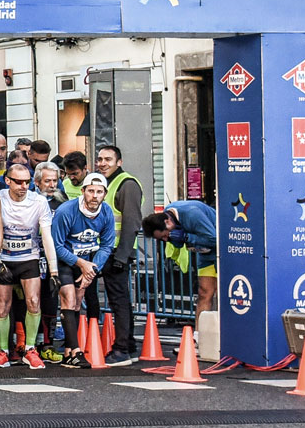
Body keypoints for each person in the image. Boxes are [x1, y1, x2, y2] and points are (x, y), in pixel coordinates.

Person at [0, 162, 58, 369]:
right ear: (7, 181)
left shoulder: (39, 201)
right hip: (4, 258)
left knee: (34, 301)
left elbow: (47, 236)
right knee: (3, 305)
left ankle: (30, 349)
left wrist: (53, 271)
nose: (23, 186)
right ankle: (2, 351)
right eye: (18, 182)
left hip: (29, 257)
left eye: (27, 182)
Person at [50, 173, 116, 367]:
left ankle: (70, 351)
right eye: (91, 191)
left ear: (105, 194)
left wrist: (92, 270)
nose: (95, 196)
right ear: (83, 191)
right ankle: (76, 351)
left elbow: (106, 245)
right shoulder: (66, 211)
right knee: (68, 298)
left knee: (78, 301)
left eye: (99, 192)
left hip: (88, 262)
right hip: (65, 260)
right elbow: (57, 245)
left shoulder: (106, 212)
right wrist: (80, 263)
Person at [96, 145, 147, 358]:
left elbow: (131, 222)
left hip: (118, 251)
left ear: (119, 162)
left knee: (119, 301)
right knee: (117, 299)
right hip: (105, 251)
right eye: (99, 159)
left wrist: (122, 256)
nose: (102, 163)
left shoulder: (127, 184)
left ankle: (122, 347)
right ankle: (128, 343)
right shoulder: (105, 183)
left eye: (108, 159)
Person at [140, 200, 218, 313]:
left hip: (221, 252)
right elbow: (179, 242)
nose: (166, 239)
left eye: (165, 235)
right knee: (204, 293)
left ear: (167, 222)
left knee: (222, 293)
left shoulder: (192, 214)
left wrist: (187, 237)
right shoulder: (169, 213)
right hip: (205, 254)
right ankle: (199, 330)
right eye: (162, 239)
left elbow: (214, 239)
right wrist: (176, 240)